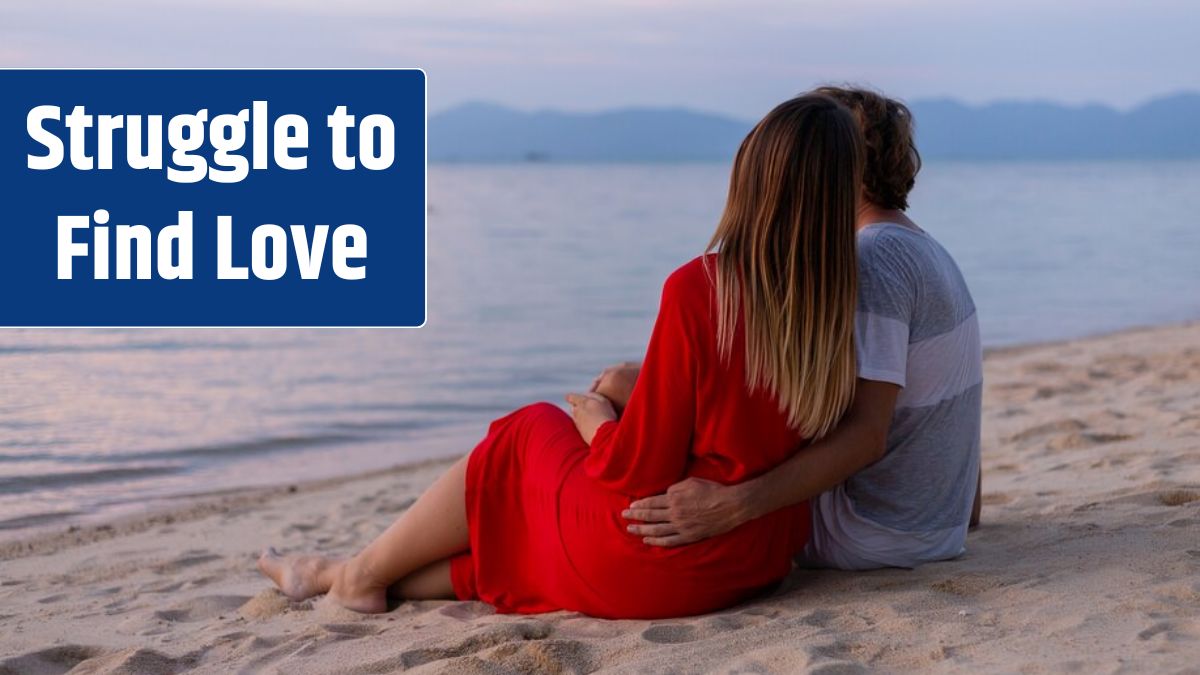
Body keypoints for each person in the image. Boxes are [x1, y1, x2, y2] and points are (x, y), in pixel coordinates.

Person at [258, 93, 867, 618]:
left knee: (529, 430)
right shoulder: (844, 300)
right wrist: (644, 385)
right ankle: (339, 573)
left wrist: (596, 418)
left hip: (664, 560)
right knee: (514, 545)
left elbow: (635, 473)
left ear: (752, 178)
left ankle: (358, 578)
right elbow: (748, 417)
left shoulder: (703, 287)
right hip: (753, 562)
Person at [611, 86, 983, 570]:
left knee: (631, 393)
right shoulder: (922, 247)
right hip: (930, 525)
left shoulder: (874, 261)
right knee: (644, 388)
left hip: (868, 529)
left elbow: (867, 435)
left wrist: (734, 506)